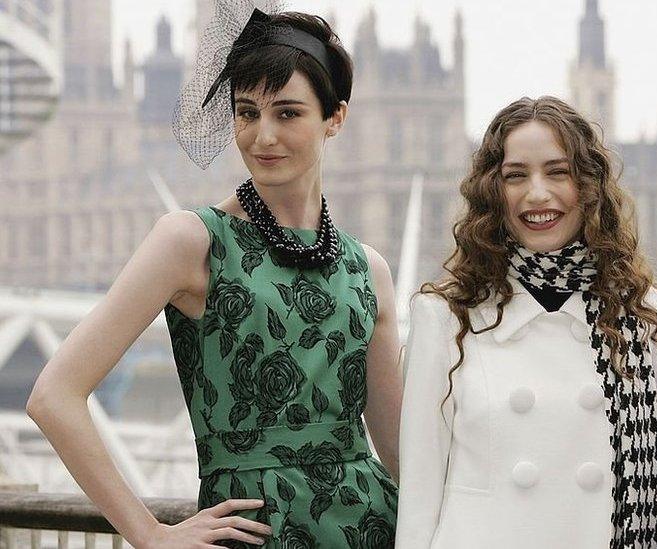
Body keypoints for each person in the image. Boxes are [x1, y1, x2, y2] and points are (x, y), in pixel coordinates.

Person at [27, 6, 400, 547]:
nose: (262, 135)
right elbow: (53, 395)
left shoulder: (370, 269)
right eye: (247, 112)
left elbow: (398, 453)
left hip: (373, 530)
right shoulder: (191, 241)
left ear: (335, 118)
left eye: (288, 113)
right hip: (252, 536)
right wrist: (150, 534)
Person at [396, 96, 657, 548]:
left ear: (590, 185)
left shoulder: (646, 315)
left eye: (557, 172)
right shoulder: (444, 317)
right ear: (492, 192)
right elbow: (420, 500)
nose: (537, 193)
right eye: (515, 175)